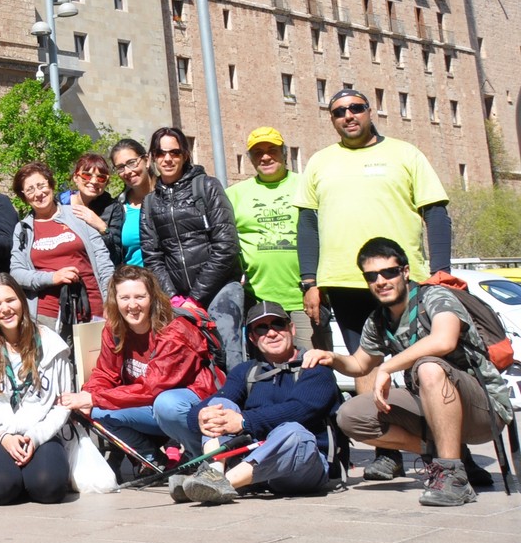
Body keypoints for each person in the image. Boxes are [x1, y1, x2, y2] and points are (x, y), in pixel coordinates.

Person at [296, 88, 453, 483]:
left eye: (356, 108)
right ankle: (387, 452)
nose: (348, 115)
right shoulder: (320, 162)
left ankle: (453, 449)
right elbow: (307, 225)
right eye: (339, 111)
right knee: (365, 365)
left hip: (403, 279)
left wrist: (442, 271)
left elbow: (435, 213)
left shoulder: (405, 154)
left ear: (370, 111)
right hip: (344, 280)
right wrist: (310, 280)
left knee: (426, 363)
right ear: (331, 119)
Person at [306, 238, 513, 507]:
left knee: (429, 367)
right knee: (351, 416)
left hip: (485, 411)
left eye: (389, 272)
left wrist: (388, 366)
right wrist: (332, 357)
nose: (381, 281)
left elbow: (444, 340)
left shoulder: (435, 298)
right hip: (431, 404)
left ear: (405, 272)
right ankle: (449, 455)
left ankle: (453, 478)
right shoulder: (379, 320)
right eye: (372, 276)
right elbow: (359, 364)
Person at [171, 301, 339, 505]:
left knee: (294, 432)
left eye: (278, 324)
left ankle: (218, 483)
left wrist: (243, 421)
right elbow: (215, 402)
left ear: (291, 329)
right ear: (252, 337)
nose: (271, 333)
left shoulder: (315, 368)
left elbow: (300, 410)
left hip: (303, 464)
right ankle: (213, 473)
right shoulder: (245, 371)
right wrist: (200, 416)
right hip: (254, 464)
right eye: (261, 328)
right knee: (220, 405)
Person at [59, 266, 223, 459]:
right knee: (96, 412)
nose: (132, 305)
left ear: (152, 298)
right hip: (148, 404)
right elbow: (105, 373)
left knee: (166, 404)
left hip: (189, 402)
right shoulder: (115, 328)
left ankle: (204, 457)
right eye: (124, 298)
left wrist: (94, 398)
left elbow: (153, 387)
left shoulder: (175, 331)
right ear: (115, 300)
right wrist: (88, 395)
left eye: (139, 297)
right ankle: (151, 460)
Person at [0, 274, 74, 505]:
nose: (5, 309)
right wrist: (3, 437)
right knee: (3, 488)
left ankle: (29, 476)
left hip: (39, 432)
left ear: (22, 301)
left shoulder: (51, 343)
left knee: (49, 488)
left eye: (10, 300)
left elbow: (62, 403)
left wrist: (35, 437)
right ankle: (14, 476)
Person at [140, 127, 244, 367]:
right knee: (186, 363)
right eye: (161, 153)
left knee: (228, 357)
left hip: (219, 288)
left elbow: (226, 246)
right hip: (178, 297)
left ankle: (235, 392)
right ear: (153, 157)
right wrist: (174, 298)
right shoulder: (150, 202)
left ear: (185, 155)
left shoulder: (207, 187)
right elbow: (152, 256)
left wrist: (195, 298)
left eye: (174, 152)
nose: (167, 159)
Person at [225, 128, 315, 349]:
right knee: (265, 366)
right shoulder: (234, 194)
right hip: (258, 300)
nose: (265, 157)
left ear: (284, 153)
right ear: (250, 158)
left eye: (271, 150)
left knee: (313, 361)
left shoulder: (307, 184)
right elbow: (224, 241)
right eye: (258, 152)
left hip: (304, 298)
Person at [8, 162, 113, 331]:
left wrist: (110, 301)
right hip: (46, 316)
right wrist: (53, 277)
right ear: (24, 196)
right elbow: (17, 273)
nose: (38, 193)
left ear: (51, 184)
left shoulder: (77, 214)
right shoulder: (23, 229)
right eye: (30, 190)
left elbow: (103, 262)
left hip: (91, 308)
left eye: (41, 185)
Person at [104, 139, 153, 268]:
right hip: (133, 278)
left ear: (147, 160)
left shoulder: (170, 196)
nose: (127, 171)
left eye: (132, 163)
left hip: (170, 279)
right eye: (120, 167)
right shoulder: (118, 207)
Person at [59, 153, 115, 235]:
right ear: (75, 177)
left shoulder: (113, 208)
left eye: (101, 177)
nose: (94, 181)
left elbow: (115, 242)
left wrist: (102, 227)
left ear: (106, 182)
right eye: (87, 175)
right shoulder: (58, 204)